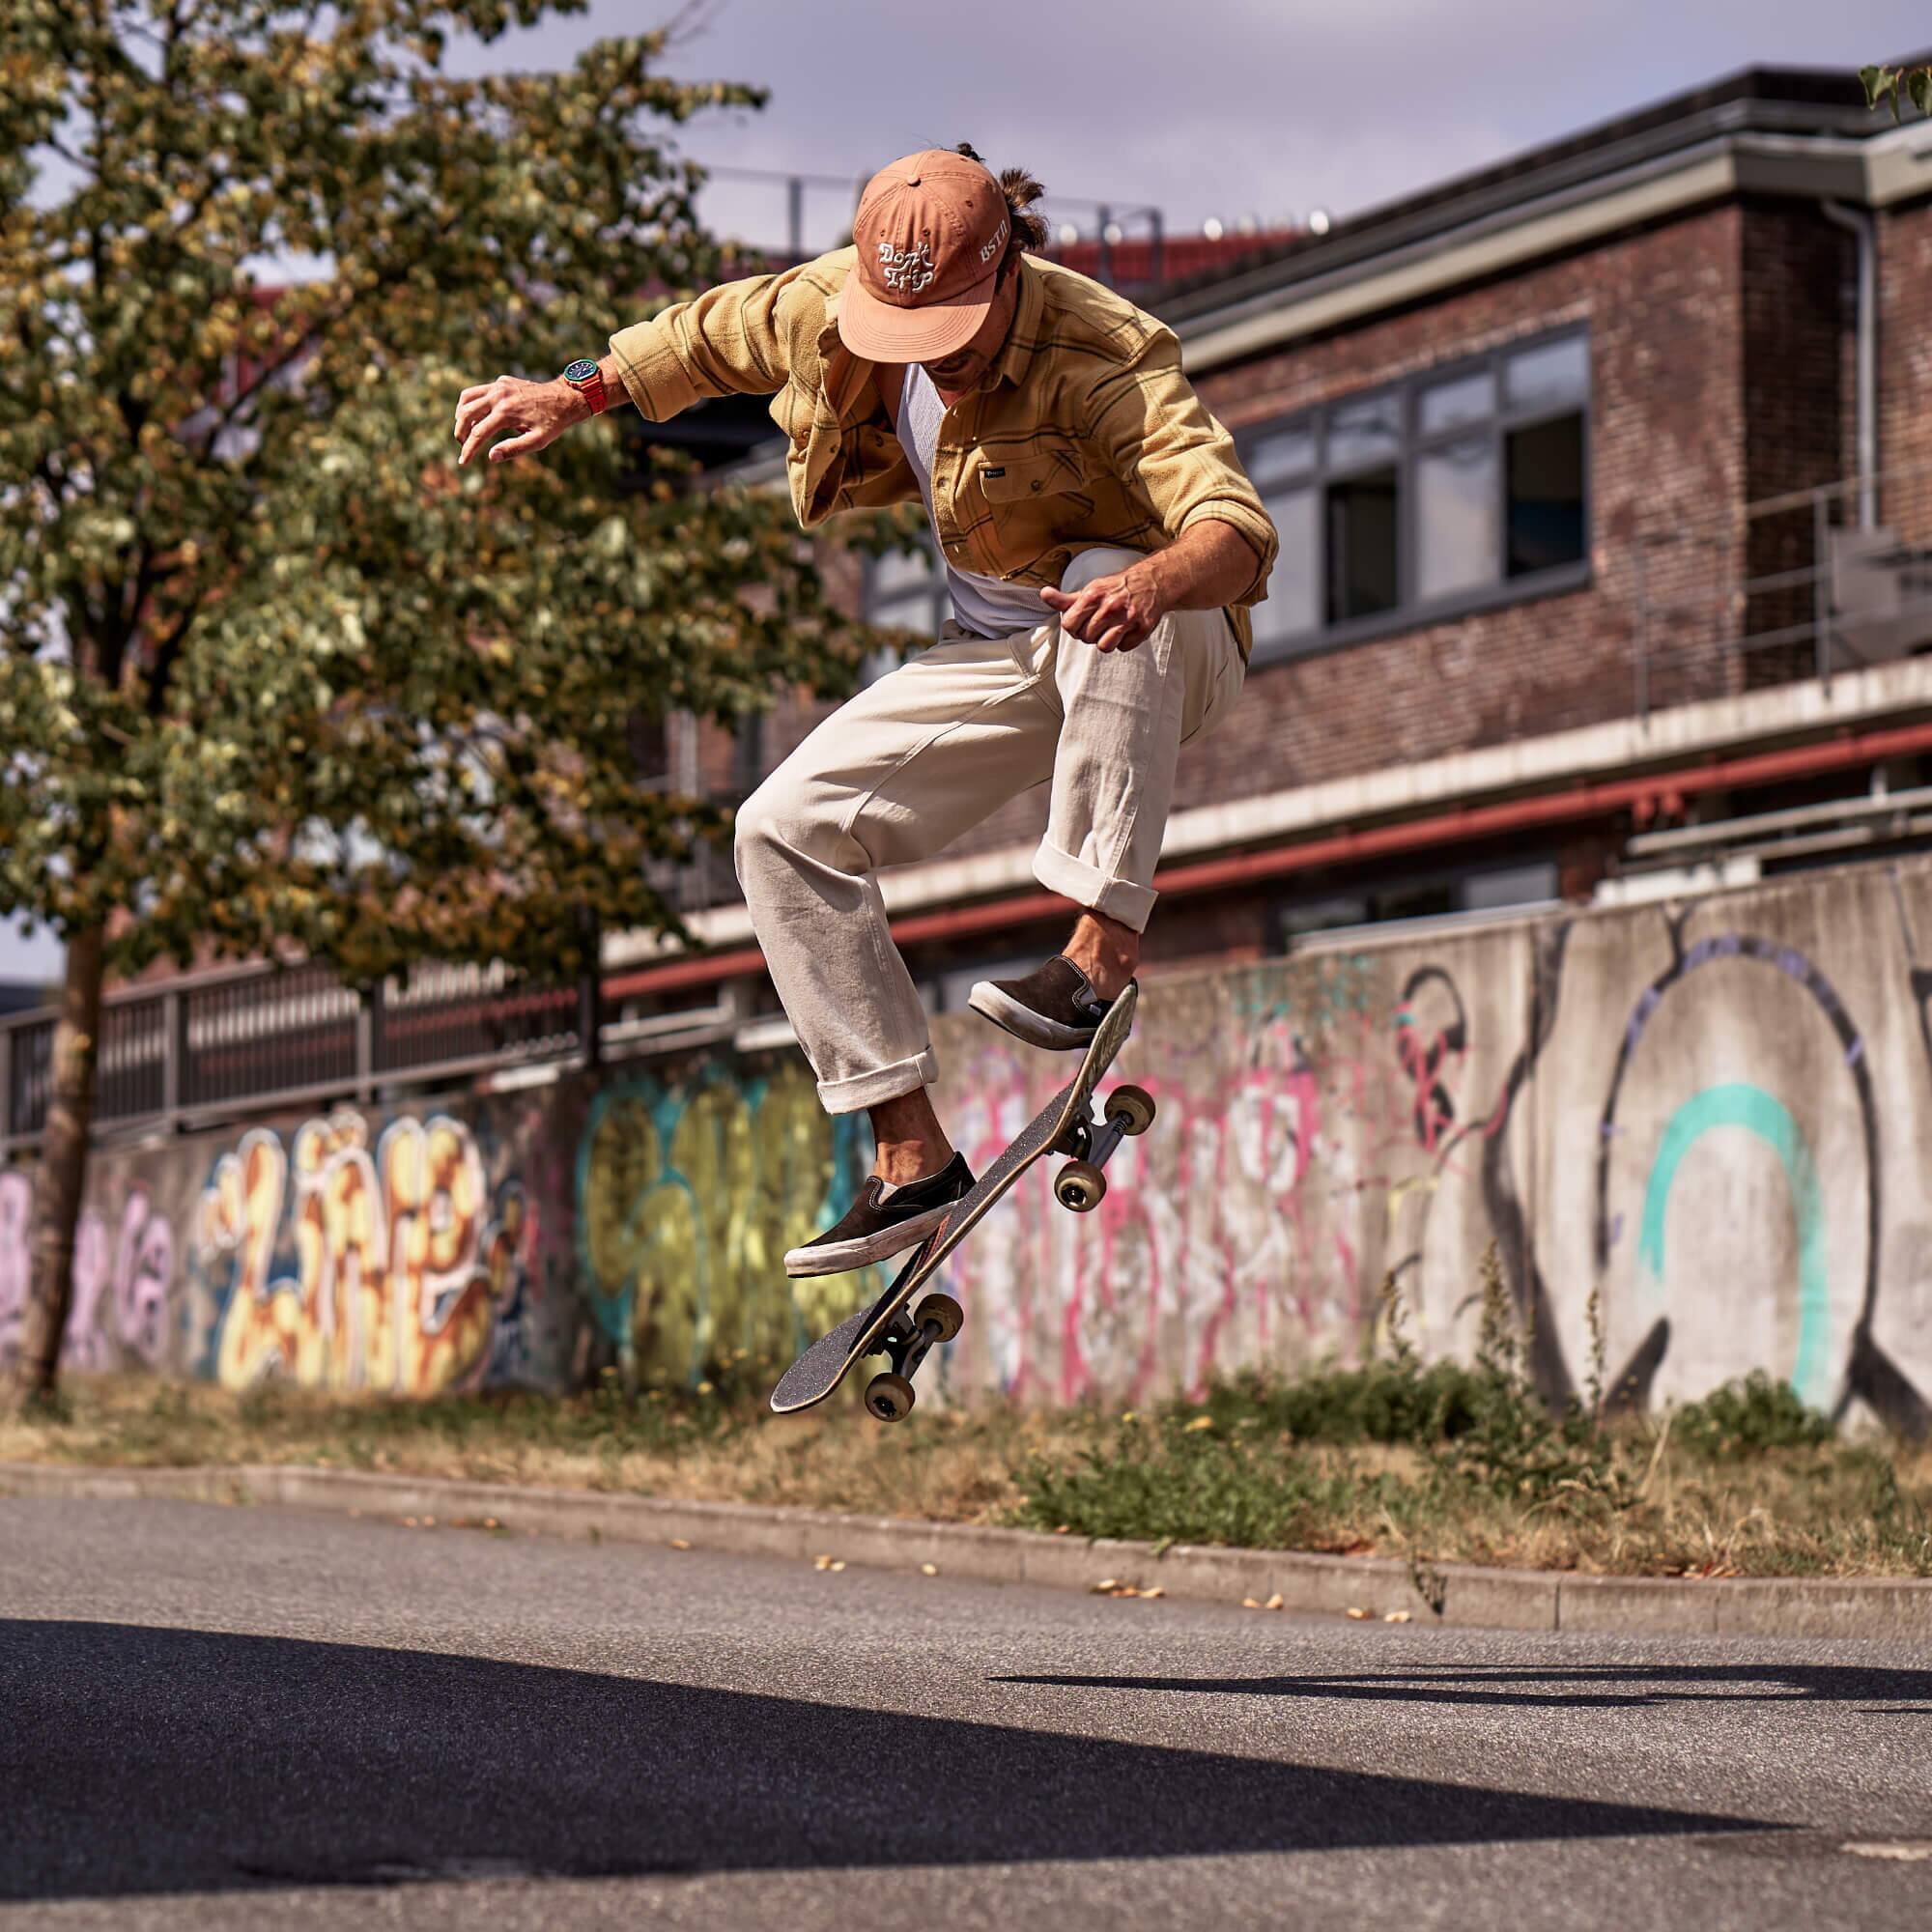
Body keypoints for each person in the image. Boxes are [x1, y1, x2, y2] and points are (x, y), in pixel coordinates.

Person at [454, 144, 1277, 1280]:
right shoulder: (828, 305)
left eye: (953, 335)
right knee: (779, 827)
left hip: (1169, 639)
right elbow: (697, 338)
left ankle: (1095, 953)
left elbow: (1233, 528)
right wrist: (576, 390)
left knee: (1105, 565)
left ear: (1005, 275)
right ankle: (909, 1155)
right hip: (998, 656)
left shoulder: (1103, 353)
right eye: (904, 336)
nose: (928, 361)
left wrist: (1148, 582)